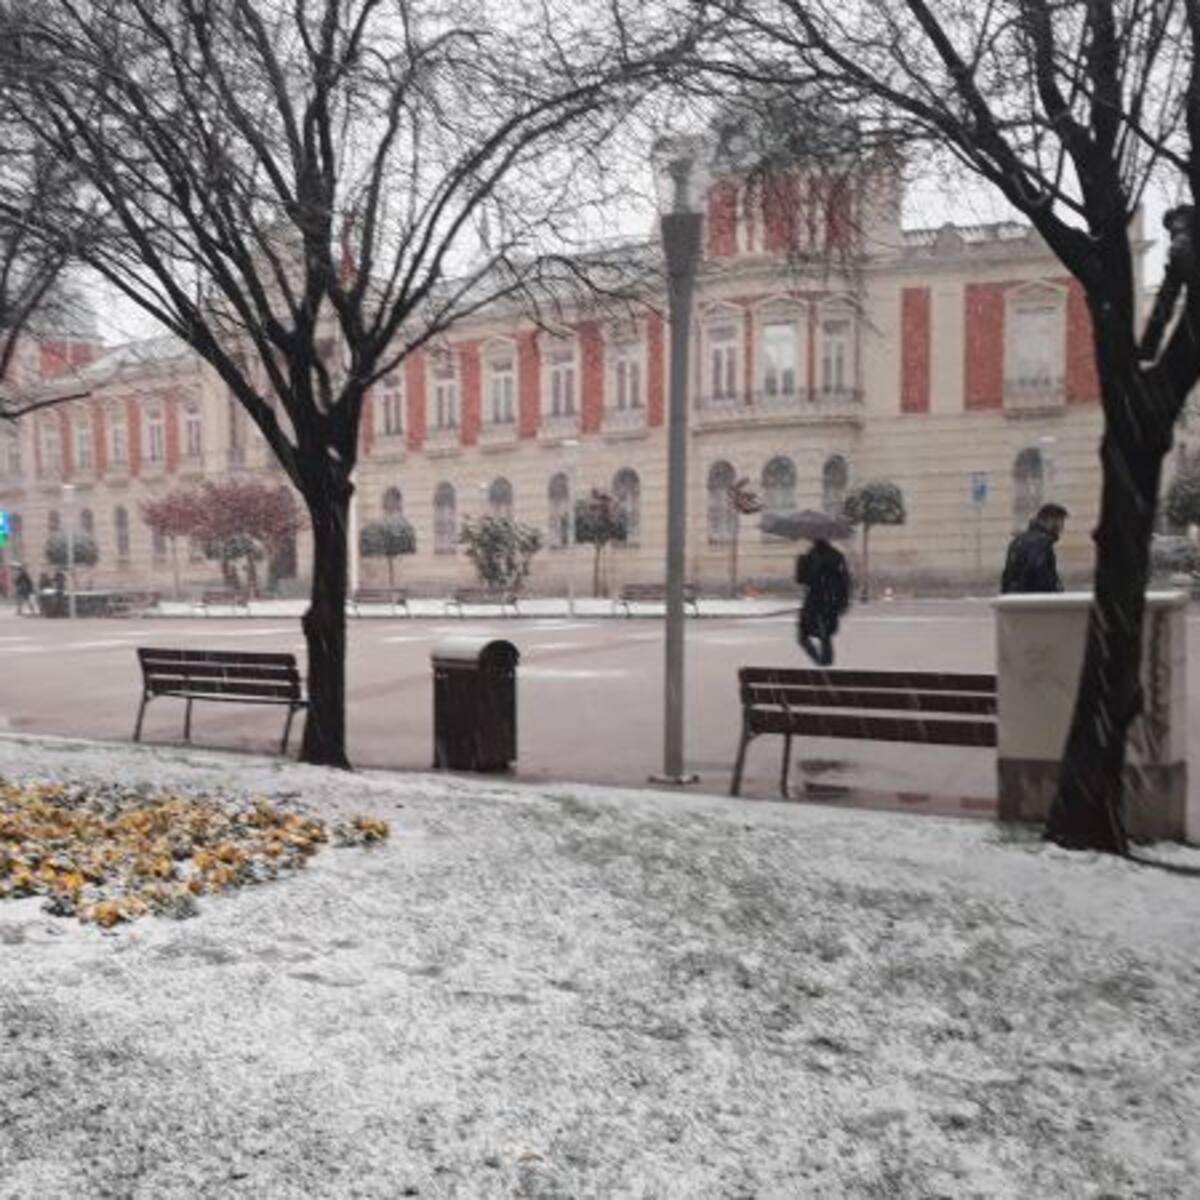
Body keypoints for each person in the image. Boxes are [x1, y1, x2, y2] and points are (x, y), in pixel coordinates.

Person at [795, 538, 851, 666]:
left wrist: (802, 560)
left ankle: (821, 664)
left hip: (815, 601)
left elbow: (801, 579)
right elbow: (845, 581)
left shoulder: (812, 556)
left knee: (805, 636)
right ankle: (824, 665)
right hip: (830, 602)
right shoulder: (837, 557)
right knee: (824, 636)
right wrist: (843, 602)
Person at [1001, 503, 1068, 594]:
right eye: (1060, 523)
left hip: (1013, 598)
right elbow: (1040, 575)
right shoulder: (1042, 543)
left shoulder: (1018, 540)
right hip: (1033, 599)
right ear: (1050, 520)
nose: (1062, 528)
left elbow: (1007, 576)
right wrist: (1055, 591)